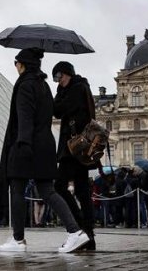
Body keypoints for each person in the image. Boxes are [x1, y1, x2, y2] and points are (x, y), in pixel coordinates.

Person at [0, 48, 89, 253]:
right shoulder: (43, 85)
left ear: (22, 65)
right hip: (46, 144)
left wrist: (22, 144)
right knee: (48, 191)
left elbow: (25, 118)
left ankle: (18, 239)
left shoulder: (24, 86)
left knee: (18, 189)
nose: (15, 66)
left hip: (27, 144)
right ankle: (75, 232)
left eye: (16, 62)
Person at [51, 61, 98, 249]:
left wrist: (59, 94)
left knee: (60, 186)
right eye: (55, 77)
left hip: (73, 148)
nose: (58, 80)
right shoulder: (81, 87)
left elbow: (58, 110)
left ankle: (80, 229)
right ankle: (89, 236)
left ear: (67, 73)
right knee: (82, 191)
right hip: (80, 147)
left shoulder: (76, 89)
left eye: (59, 76)